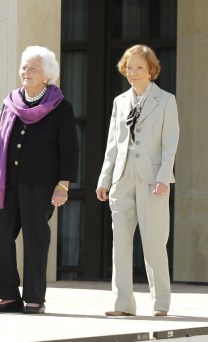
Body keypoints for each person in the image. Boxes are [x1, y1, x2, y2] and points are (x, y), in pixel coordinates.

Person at [0, 46, 79, 314]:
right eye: (24, 67)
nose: (26, 72)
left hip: (40, 184)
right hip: (8, 182)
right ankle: (8, 296)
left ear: (47, 74)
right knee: (1, 238)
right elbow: (2, 140)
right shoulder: (11, 102)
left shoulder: (60, 106)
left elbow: (69, 148)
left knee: (35, 238)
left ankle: (34, 298)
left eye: (33, 68)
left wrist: (63, 185)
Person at [96, 45, 179, 317]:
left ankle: (161, 302)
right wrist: (104, 179)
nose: (132, 72)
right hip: (123, 177)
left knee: (154, 243)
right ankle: (122, 304)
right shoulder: (120, 101)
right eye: (129, 67)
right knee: (119, 244)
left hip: (152, 178)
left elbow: (170, 143)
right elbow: (112, 143)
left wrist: (163, 177)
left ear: (151, 70)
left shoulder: (166, 100)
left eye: (139, 67)